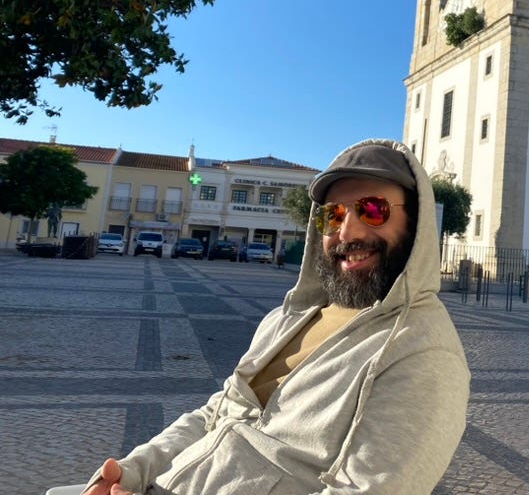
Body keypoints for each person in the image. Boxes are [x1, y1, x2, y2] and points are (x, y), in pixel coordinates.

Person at [81, 139, 470, 495]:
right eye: (332, 216)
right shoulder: (288, 317)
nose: (346, 230)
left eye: (372, 209)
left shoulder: (423, 352)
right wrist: (135, 469)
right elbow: (218, 413)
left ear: (416, 225)